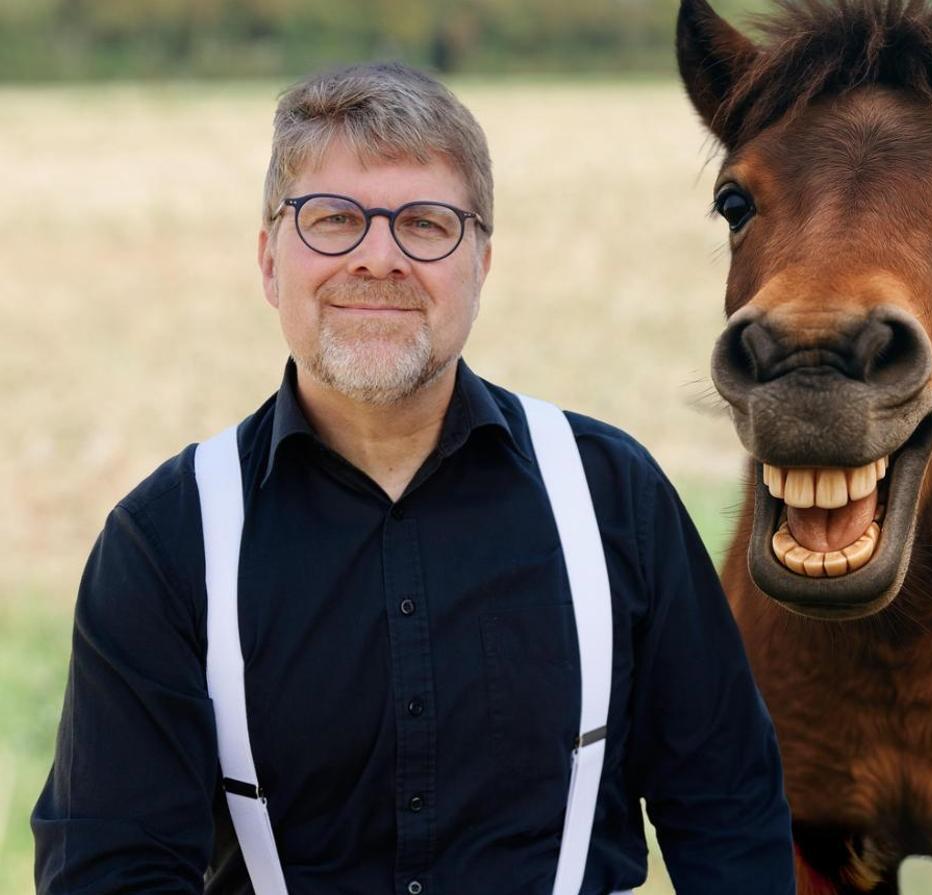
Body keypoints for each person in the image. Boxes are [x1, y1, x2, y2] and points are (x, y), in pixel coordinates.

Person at [32, 62, 794, 895]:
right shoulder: (165, 543)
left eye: (425, 225)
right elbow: (112, 871)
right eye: (333, 219)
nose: (378, 258)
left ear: (481, 264)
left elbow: (729, 813)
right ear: (268, 260)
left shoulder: (615, 499)